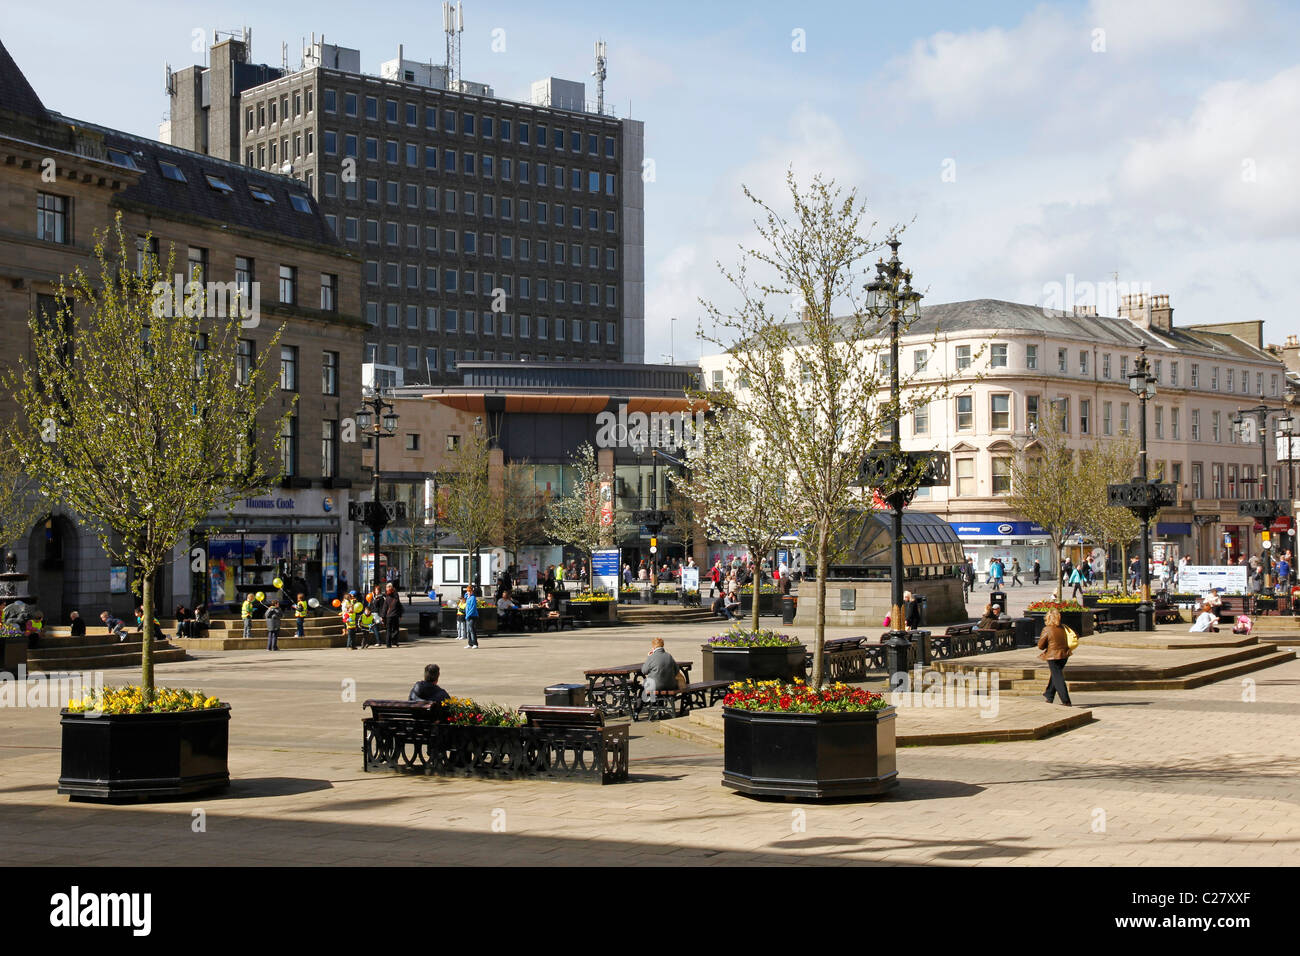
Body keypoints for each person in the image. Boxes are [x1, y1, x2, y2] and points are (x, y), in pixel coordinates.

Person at [1036, 607, 1073, 706]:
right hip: (1065, 655)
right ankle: (1049, 695)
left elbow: (1040, 646)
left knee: (1058, 677)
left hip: (1053, 656)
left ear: (1048, 618)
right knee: (1055, 675)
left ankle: (1066, 700)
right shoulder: (1062, 628)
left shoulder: (1047, 629)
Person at [381, 583, 403, 648]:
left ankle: (389, 643)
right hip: (393, 616)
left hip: (391, 616)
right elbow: (399, 606)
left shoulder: (390, 597)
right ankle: (392, 641)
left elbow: (385, 608)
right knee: (394, 630)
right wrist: (400, 615)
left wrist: (383, 616)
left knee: (390, 630)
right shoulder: (393, 596)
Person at [464, 584, 480, 649]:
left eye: (469, 591)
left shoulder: (473, 598)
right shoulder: (468, 597)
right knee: (468, 630)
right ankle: (470, 643)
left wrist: (467, 615)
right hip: (468, 616)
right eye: (467, 591)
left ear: (472, 591)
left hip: (473, 616)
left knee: (472, 630)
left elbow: (472, 608)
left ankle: (475, 643)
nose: (468, 592)